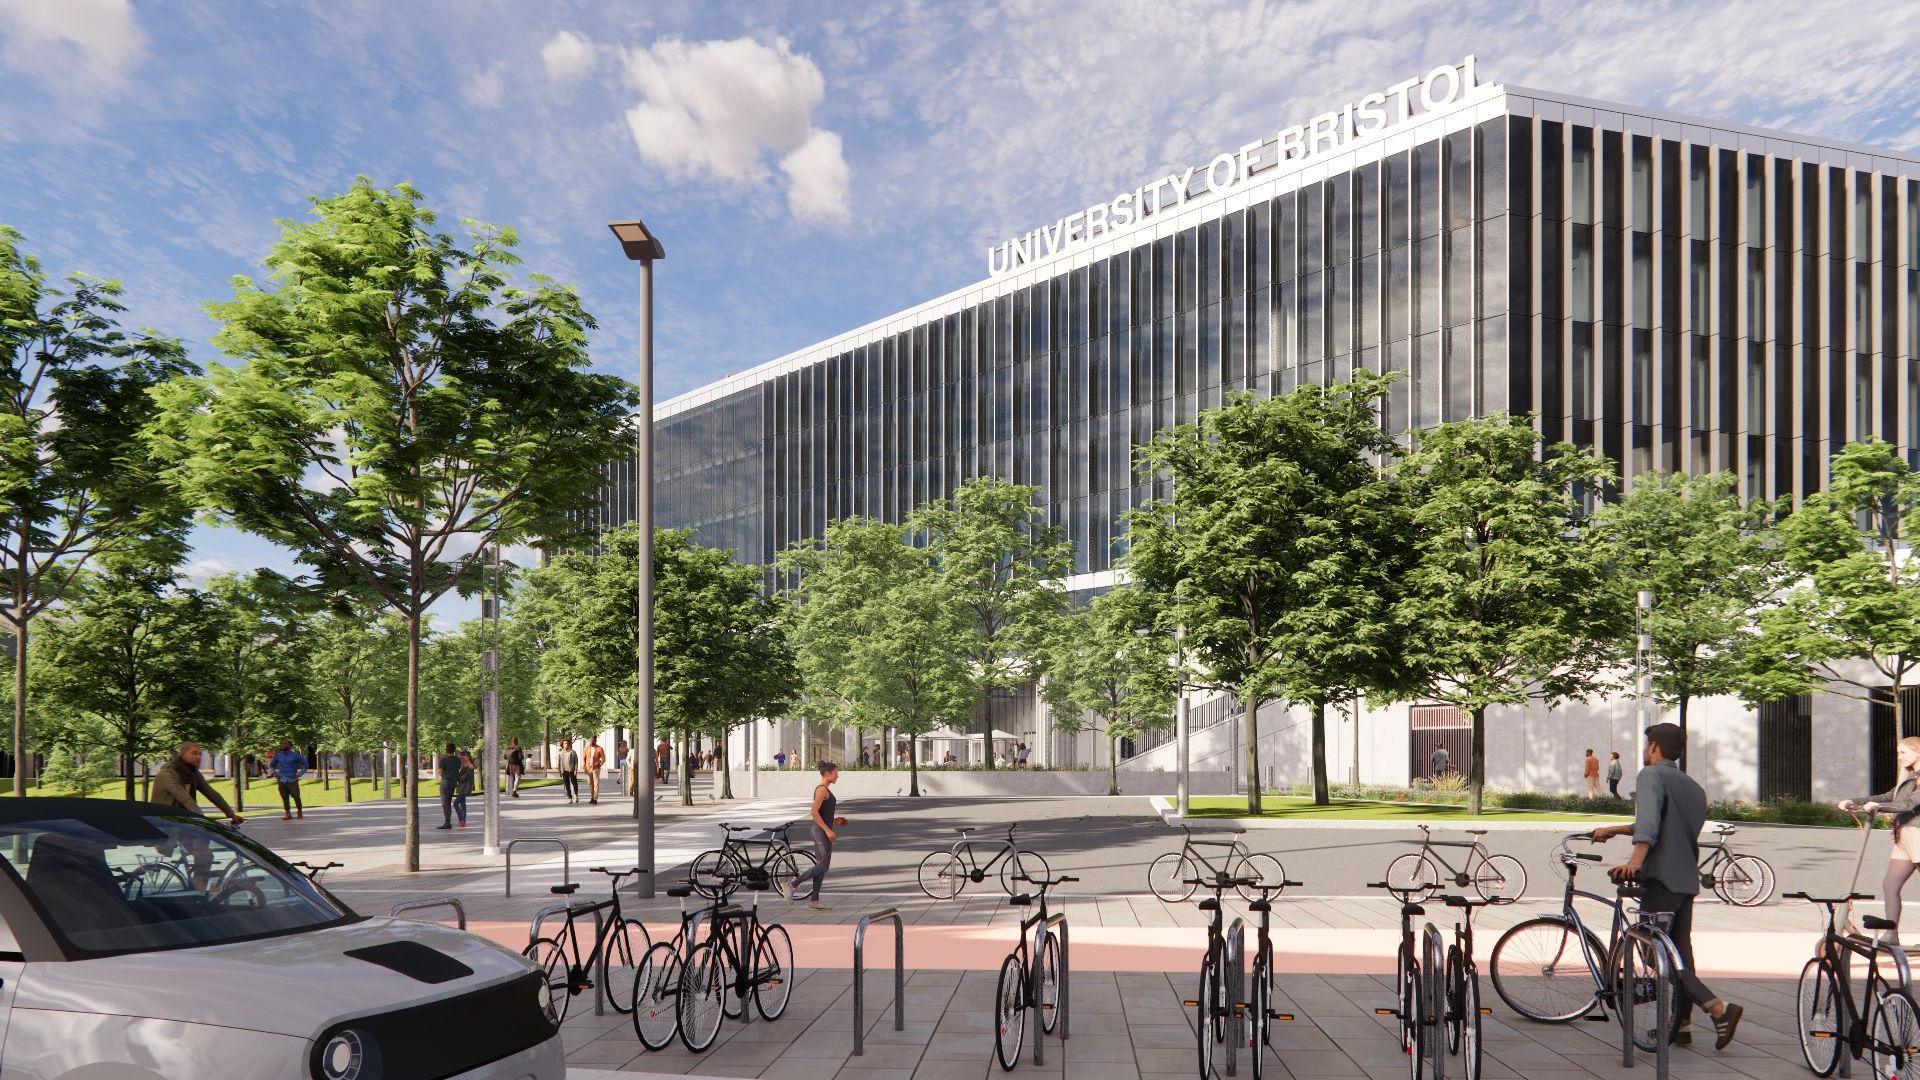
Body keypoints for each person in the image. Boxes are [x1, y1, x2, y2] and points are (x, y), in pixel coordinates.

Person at [1589, 723, 1742, 1049]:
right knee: (1680, 953)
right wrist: (1613, 829)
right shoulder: (1691, 786)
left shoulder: (1650, 776)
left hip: (1661, 879)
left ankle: (1718, 1008)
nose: (1644, 750)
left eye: (1646, 744)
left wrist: (1636, 861)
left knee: (1651, 950)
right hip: (1686, 880)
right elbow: (1661, 822)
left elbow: (1649, 825)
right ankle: (1681, 1024)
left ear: (1654, 746)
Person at [1840, 735, 1920, 942]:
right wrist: (1855, 802)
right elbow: (1889, 797)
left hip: (1918, 835)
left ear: (1917, 752)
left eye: (1903, 752)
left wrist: (1879, 808)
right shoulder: (1910, 778)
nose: (1900, 757)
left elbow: (1909, 805)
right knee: (1890, 885)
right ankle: (1891, 935)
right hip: (1903, 835)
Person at [150, 742, 243, 890]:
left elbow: (211, 793)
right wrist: (202, 820)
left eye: (200, 754)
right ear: (182, 754)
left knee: (205, 855)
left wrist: (231, 814)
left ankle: (198, 889)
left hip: (182, 822)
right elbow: (185, 799)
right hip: (167, 825)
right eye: (194, 753)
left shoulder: (192, 773)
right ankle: (199, 889)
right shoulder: (167, 774)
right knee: (202, 848)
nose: (198, 757)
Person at [787, 761, 846, 910]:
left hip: (821, 831)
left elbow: (821, 813)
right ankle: (793, 884)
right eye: (835, 773)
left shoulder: (825, 790)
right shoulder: (821, 790)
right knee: (823, 866)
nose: (838, 776)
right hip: (820, 832)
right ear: (828, 774)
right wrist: (827, 830)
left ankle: (814, 900)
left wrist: (834, 821)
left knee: (821, 866)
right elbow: (813, 812)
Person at [267, 739, 307, 821]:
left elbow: (305, 764)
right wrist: (274, 773)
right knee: (284, 797)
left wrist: (300, 774)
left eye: (284, 744)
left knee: (296, 796)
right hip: (281, 780)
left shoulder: (296, 755)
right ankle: (287, 813)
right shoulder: (278, 755)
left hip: (292, 780)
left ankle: (299, 811)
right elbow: (271, 765)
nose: (282, 745)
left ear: (289, 746)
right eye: (281, 744)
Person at [435, 743, 462, 829]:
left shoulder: (443, 760)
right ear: (454, 750)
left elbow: (440, 772)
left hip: (445, 783)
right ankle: (448, 821)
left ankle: (447, 822)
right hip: (453, 783)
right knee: (448, 802)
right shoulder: (457, 760)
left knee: (445, 803)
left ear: (446, 750)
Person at [452, 750, 476, 827]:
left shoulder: (470, 766)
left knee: (456, 804)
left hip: (464, 787)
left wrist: (457, 778)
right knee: (462, 804)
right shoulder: (465, 765)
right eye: (461, 758)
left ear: (468, 756)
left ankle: (461, 820)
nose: (462, 759)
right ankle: (463, 821)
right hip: (462, 787)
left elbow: (465, 777)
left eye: (463, 757)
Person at [584, 735, 606, 805]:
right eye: (590, 740)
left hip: (596, 768)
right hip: (588, 768)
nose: (591, 742)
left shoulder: (599, 748)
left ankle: (595, 798)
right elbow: (584, 759)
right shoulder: (586, 748)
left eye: (592, 740)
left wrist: (600, 765)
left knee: (596, 784)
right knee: (590, 784)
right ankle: (592, 797)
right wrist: (584, 768)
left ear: (595, 741)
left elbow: (603, 758)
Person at [558, 739, 580, 804]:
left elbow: (576, 762)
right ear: (562, 745)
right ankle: (570, 797)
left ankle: (576, 795)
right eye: (565, 743)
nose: (566, 744)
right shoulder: (560, 753)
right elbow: (559, 763)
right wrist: (560, 771)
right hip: (564, 771)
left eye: (567, 743)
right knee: (567, 784)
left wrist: (575, 770)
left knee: (574, 783)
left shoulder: (573, 752)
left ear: (569, 744)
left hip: (572, 770)